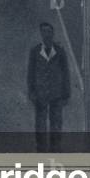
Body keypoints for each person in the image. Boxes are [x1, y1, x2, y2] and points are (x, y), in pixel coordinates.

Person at [27, 22, 70, 152]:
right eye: (44, 32)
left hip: (56, 92)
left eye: (49, 32)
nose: (47, 35)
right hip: (40, 93)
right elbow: (31, 73)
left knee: (56, 121)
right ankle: (40, 147)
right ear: (41, 34)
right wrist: (31, 92)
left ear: (53, 34)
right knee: (40, 122)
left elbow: (65, 73)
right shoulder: (35, 51)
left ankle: (55, 147)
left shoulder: (60, 51)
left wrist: (66, 94)